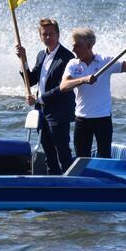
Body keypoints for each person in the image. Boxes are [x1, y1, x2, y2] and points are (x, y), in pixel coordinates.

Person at [60, 28, 126, 159]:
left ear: (89, 46)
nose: (73, 49)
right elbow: (63, 86)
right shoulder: (73, 64)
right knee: (81, 159)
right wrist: (83, 79)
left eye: (77, 46)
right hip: (82, 118)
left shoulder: (105, 61)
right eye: (73, 46)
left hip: (102, 119)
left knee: (104, 157)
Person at [15, 18, 76, 174]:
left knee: (62, 152)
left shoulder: (67, 57)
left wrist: (39, 99)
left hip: (59, 112)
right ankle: (53, 184)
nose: (48, 37)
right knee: (48, 152)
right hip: (41, 111)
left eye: (51, 34)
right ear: (40, 36)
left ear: (58, 34)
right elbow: (32, 79)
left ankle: (69, 185)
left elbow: (62, 88)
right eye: (45, 34)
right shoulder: (41, 54)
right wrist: (24, 60)